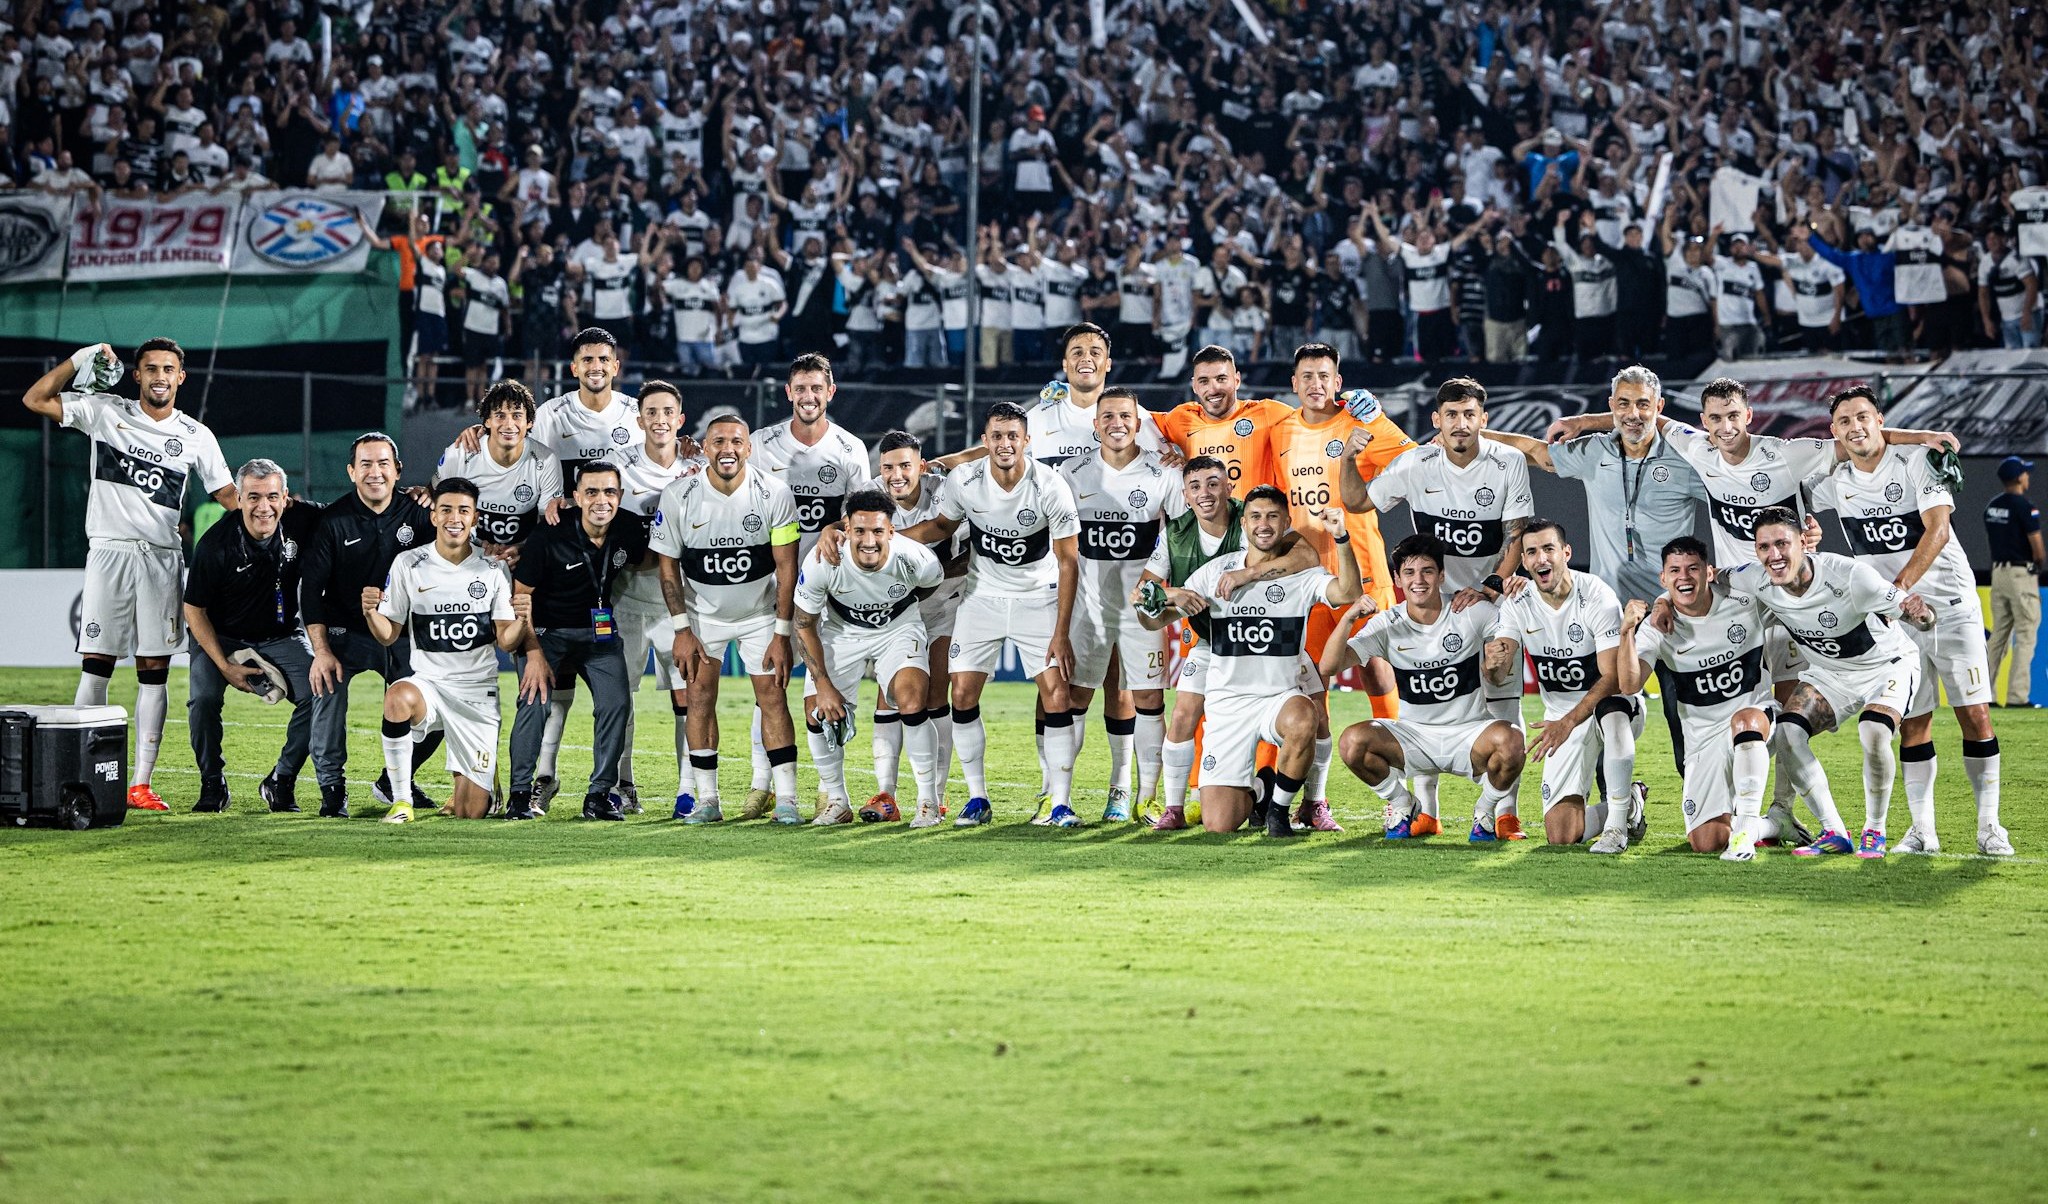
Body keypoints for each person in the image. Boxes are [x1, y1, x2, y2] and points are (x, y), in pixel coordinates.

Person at [20, 339, 238, 813]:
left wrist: (278, 516)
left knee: (154, 670)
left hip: (161, 558)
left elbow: (229, 496)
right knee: (96, 663)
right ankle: (80, 774)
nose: (160, 376)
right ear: (136, 375)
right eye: (151, 368)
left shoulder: (196, 435)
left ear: (181, 377)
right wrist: (79, 360)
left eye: (169, 369)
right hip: (110, 552)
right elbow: (35, 399)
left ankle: (140, 784)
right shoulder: (105, 411)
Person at [1807, 388, 2010, 856]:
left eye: (1863, 416)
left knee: (1975, 715)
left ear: (1880, 419)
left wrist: (1898, 588)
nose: (1855, 426)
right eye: (1844, 421)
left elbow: (1938, 530)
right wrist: (1807, 530)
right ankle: (1922, 831)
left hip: (1950, 605)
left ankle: (1989, 827)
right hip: (1893, 618)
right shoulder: (1833, 481)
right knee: (1913, 723)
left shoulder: (1917, 461)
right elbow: (1789, 490)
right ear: (1834, 431)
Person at [894, 402, 1082, 827]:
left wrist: (1061, 631)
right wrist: (893, 536)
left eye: (1013, 436)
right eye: (997, 436)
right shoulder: (965, 480)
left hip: (1037, 598)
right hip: (982, 597)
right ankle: (977, 798)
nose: (1005, 444)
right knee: (962, 694)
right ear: (985, 441)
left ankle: (1060, 802)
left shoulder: (1050, 485)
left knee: (1057, 693)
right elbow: (941, 527)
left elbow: (1068, 561)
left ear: (1027, 441)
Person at [1138, 488, 1358, 836]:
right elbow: (1154, 622)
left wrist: (1342, 538)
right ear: (1244, 524)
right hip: (1228, 705)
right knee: (1219, 824)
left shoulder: (1301, 574)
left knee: (1306, 716)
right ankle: (1262, 789)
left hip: (1277, 697)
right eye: (1255, 517)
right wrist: (1152, 603)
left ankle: (1279, 813)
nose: (1264, 524)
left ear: (1286, 523)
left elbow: (1348, 593)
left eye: (1272, 517)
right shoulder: (1215, 573)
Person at [1729, 508, 1937, 860]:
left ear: (1803, 542)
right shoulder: (1756, 578)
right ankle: (1834, 832)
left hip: (1886, 667)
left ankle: (1875, 830)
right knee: (1788, 733)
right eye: (1764, 547)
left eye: (1782, 544)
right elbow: (1711, 579)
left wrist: (1923, 614)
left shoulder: (1850, 576)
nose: (1774, 555)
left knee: (1874, 731)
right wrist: (1662, 603)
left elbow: (1921, 618)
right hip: (1830, 674)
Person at [1321, 534, 1528, 843]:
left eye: (1427, 571)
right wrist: (1348, 617)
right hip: (1414, 738)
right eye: (1409, 572)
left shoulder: (1470, 611)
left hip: (1468, 734)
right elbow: (1328, 666)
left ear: (1441, 575)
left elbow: (1506, 647)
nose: (1418, 580)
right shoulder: (1387, 623)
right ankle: (1404, 804)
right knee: (1352, 742)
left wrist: (1498, 652)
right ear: (1397, 579)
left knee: (1512, 741)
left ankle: (1485, 811)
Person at [1616, 538, 1811, 860]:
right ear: (1663, 578)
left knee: (1744, 721)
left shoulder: (1744, 599)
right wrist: (1626, 633)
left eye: (1693, 569)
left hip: (1757, 719)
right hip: (1703, 740)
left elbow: (1789, 583)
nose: (1684, 577)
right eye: (1675, 571)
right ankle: (1774, 825)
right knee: (1706, 842)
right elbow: (1628, 684)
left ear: (1709, 572)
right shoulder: (1658, 626)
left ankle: (1744, 834)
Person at [653, 414, 803, 824]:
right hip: (702, 618)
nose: (728, 449)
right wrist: (681, 629)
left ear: (748, 448)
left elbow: (786, 568)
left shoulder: (774, 492)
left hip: (760, 616)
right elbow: (667, 569)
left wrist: (782, 633)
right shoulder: (679, 495)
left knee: (773, 698)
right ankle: (708, 801)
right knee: (699, 698)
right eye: (718, 441)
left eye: (736, 441)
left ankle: (787, 800)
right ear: (704, 448)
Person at [364, 478, 527, 823]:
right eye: (447, 510)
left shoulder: (493, 567)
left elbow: (506, 641)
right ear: (434, 516)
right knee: (397, 696)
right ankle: (402, 802)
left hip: (476, 694)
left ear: (475, 518)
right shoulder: (408, 563)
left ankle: (482, 781)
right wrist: (370, 613)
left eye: (463, 511)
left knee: (470, 813)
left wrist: (523, 619)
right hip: (430, 686)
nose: (455, 518)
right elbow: (388, 635)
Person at [1059, 388, 1185, 821]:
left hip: (1142, 610)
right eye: (1108, 416)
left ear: (1138, 423)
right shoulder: (1072, 473)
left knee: (1148, 697)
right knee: (1075, 695)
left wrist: (1167, 591)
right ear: (1096, 425)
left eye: (1126, 416)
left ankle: (1140, 795)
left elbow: (1181, 536)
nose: (1117, 423)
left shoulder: (1163, 472)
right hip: (1086, 607)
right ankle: (1060, 799)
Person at [301, 433, 439, 818]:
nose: (374, 472)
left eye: (382, 464)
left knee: (438, 705)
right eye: (365, 464)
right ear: (351, 472)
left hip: (403, 635)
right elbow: (311, 591)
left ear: (398, 471)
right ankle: (332, 790)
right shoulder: (332, 521)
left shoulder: (421, 515)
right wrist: (322, 651)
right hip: (346, 635)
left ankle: (394, 780)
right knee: (327, 693)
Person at [507, 461, 651, 821]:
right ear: (576, 497)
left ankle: (599, 795)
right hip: (546, 634)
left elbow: (650, 558)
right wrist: (533, 653)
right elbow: (520, 597)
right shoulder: (550, 533)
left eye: (609, 492)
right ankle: (519, 795)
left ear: (620, 495)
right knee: (534, 701)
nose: (601, 500)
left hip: (598, 636)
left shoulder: (629, 527)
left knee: (617, 703)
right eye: (592, 492)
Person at [793, 491, 946, 826]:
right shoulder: (822, 561)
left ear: (891, 531)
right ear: (846, 529)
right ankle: (837, 801)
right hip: (842, 630)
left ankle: (928, 802)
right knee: (816, 710)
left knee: (911, 700)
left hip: (898, 628)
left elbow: (930, 584)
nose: (869, 541)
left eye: (877, 531)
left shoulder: (915, 558)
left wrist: (894, 607)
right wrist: (823, 686)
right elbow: (803, 624)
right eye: (860, 531)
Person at [180, 459, 323, 813]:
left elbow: (354, 512)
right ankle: (212, 782)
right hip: (221, 636)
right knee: (204, 699)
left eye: (272, 497)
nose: (264, 507)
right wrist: (224, 666)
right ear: (239, 499)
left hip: (281, 634)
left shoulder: (302, 519)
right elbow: (194, 610)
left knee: (320, 693)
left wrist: (412, 496)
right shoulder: (215, 544)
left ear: (286, 498)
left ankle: (281, 780)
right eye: (254, 497)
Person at [1494, 521, 1643, 851]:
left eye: (1549, 549)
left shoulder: (1596, 595)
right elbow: (1499, 673)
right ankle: (1631, 803)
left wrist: (1568, 722)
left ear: (1566, 553)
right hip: (1560, 718)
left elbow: (1612, 677)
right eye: (1532, 552)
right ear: (1524, 561)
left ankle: (1617, 827)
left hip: (1609, 706)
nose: (1541, 558)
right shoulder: (1517, 602)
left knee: (1612, 710)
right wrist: (1493, 663)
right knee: (1562, 835)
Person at [612, 382, 704, 817]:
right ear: (639, 420)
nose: (660, 419)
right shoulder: (618, 466)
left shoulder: (699, 467)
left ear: (680, 419)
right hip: (627, 598)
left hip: (680, 606)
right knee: (621, 698)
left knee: (688, 697)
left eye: (668, 412)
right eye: (652, 412)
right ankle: (622, 785)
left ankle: (688, 791)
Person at [433, 380, 563, 558]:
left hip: (522, 555)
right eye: (500, 416)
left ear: (529, 422)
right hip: (467, 552)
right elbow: (436, 505)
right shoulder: (460, 454)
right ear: (487, 421)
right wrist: (472, 546)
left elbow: (547, 525)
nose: (509, 425)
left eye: (517, 416)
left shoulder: (545, 460)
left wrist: (520, 549)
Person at [1154, 344, 1291, 497]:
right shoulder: (1182, 418)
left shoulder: (1269, 413)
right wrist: (1162, 453)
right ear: (1194, 386)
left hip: (1257, 512)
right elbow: (1136, 420)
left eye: (1221, 379)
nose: (1213, 389)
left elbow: (1311, 424)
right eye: (1204, 381)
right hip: (1206, 511)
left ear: (1237, 380)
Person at [1984, 456, 2042, 709]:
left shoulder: (1992, 506)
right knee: (2026, 635)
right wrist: (2038, 566)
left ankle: (1984, 694)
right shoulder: (2025, 506)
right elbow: (2037, 548)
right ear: (2019, 478)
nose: (2028, 477)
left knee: (1998, 637)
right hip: (2020, 574)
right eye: (2025, 473)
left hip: (1998, 574)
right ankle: (2018, 696)